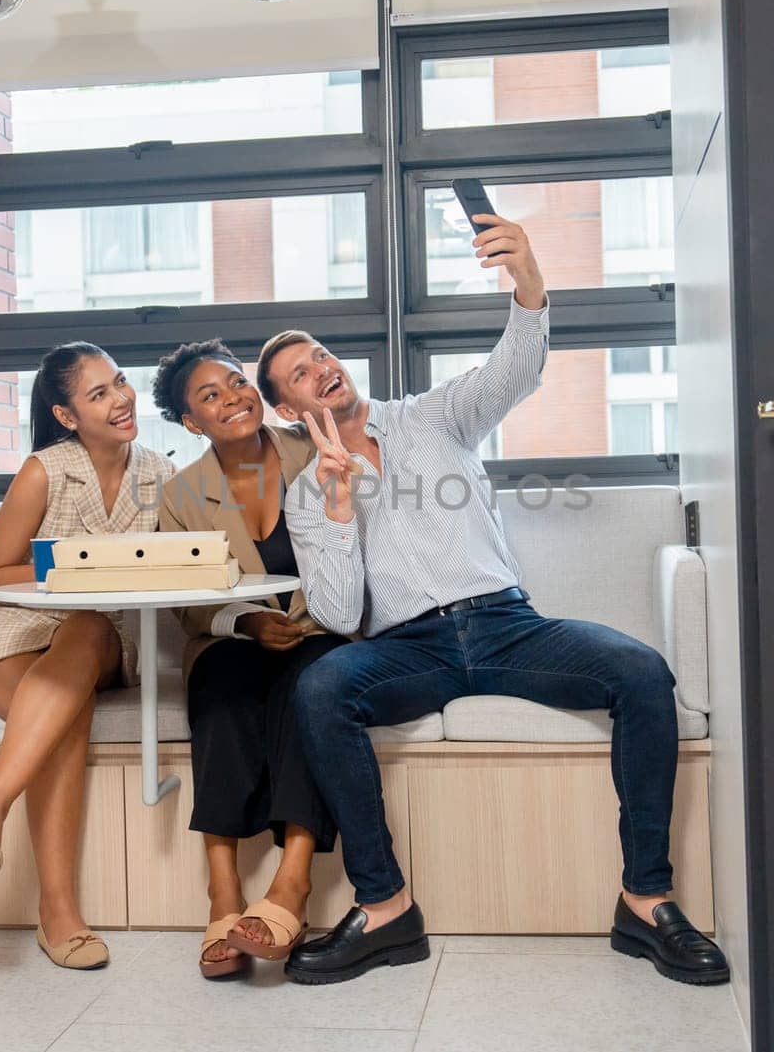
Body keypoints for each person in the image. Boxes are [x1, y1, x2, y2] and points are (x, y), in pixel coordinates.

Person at [258, 214, 730, 987]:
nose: (323, 370)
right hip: (406, 648)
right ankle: (385, 908)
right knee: (319, 687)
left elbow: (514, 367)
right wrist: (342, 507)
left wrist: (528, 278)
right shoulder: (309, 494)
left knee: (642, 673)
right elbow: (341, 616)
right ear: (287, 409)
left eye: (321, 355)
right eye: (302, 375)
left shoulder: (433, 415)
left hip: (508, 625)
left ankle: (645, 901)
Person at [0, 342, 174, 971]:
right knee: (64, 721)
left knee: (87, 628)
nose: (121, 399)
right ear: (67, 416)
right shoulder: (44, 470)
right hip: (9, 636)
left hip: (91, 637)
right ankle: (58, 912)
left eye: (120, 383)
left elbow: (182, 567)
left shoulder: (161, 473)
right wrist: (74, 568)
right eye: (98, 393)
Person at [152, 339, 349, 979]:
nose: (232, 398)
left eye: (236, 383)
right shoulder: (182, 494)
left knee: (311, 689)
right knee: (221, 687)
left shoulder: (313, 447)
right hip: (235, 639)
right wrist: (244, 621)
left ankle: (292, 884)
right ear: (190, 422)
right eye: (210, 395)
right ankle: (224, 891)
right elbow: (185, 604)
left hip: (321, 631)